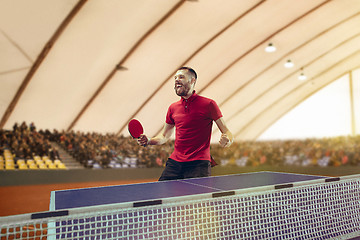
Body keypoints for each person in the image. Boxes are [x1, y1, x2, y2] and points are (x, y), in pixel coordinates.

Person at [137, 67, 233, 181]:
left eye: (181, 77)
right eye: (175, 78)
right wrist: (149, 140)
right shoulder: (172, 108)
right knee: (161, 196)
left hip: (199, 164)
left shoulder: (209, 104)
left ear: (192, 81)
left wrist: (228, 139)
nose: (177, 80)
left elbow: (226, 131)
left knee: (196, 198)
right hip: (175, 163)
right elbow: (164, 136)